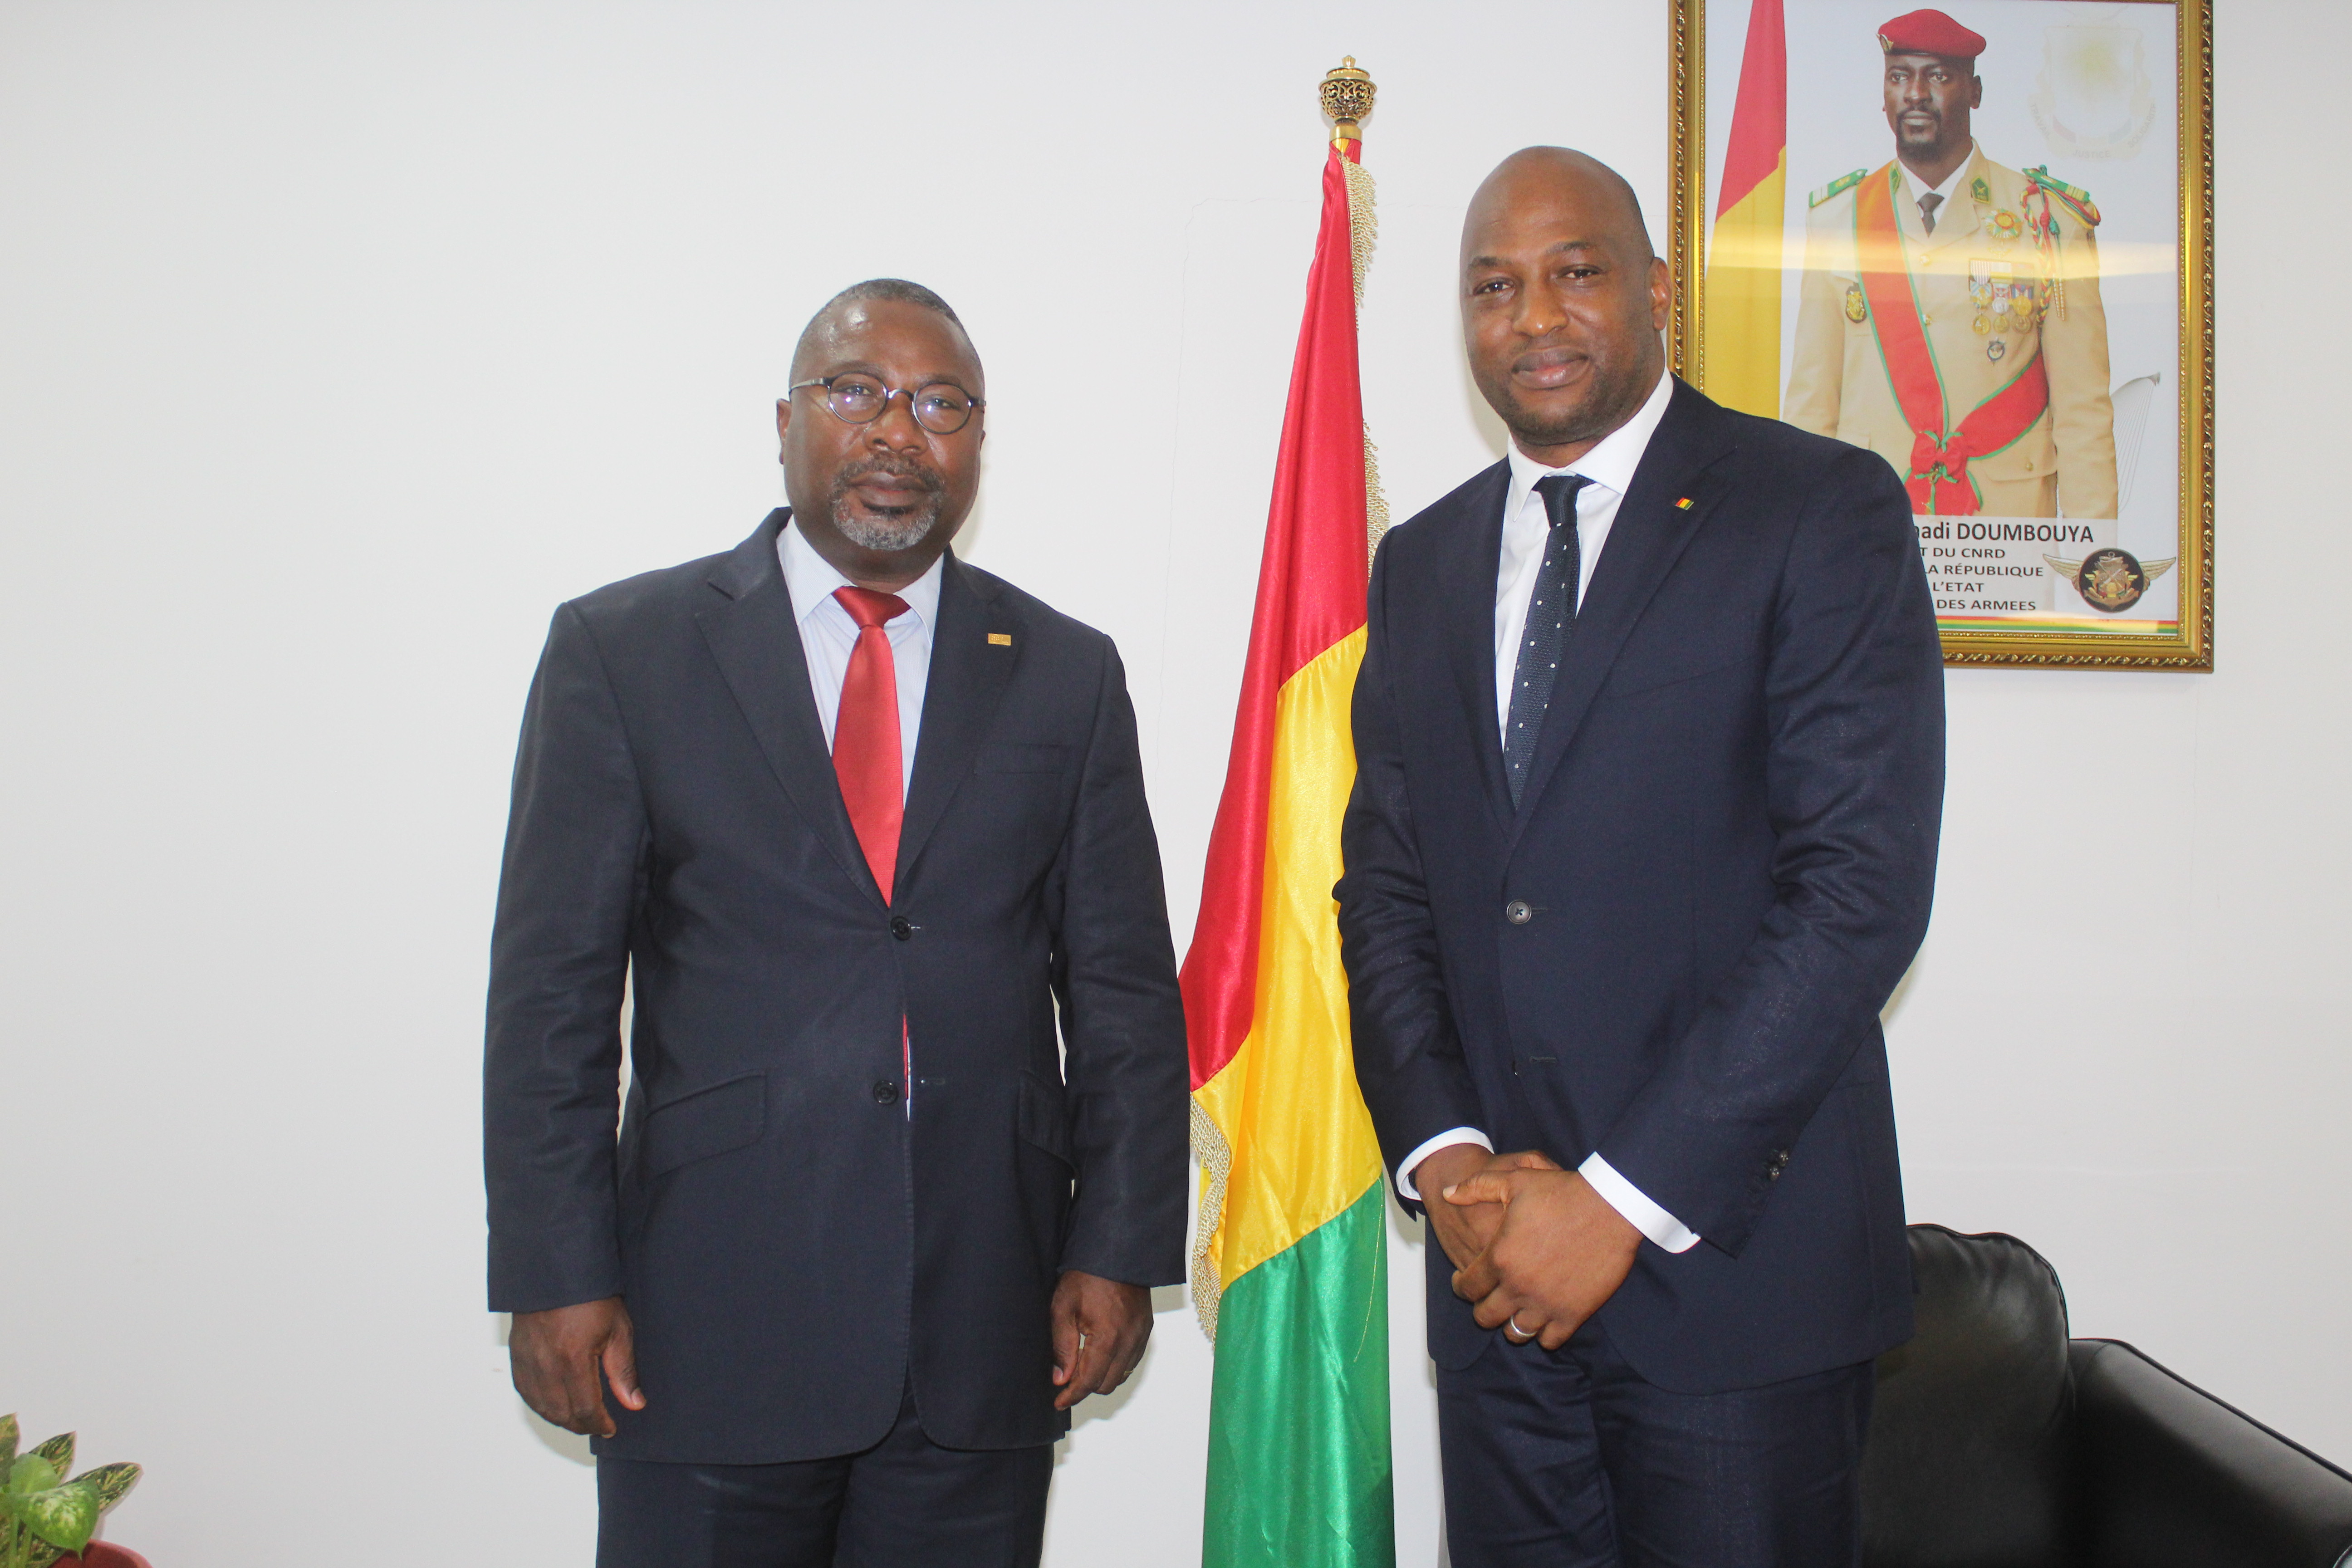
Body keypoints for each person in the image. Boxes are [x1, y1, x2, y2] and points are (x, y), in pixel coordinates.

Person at [483, 278, 1188, 1568]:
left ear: (978, 441)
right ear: (785, 421)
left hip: (986, 1323)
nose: (896, 430)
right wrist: (553, 1271)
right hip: (703, 1326)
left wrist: (1118, 1246)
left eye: (940, 404)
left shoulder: (1067, 673)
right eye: (855, 390)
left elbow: (1125, 992)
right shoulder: (624, 651)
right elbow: (551, 1000)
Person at [1335, 148, 1945, 1564]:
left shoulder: (1816, 508)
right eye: (1494, 287)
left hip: (1739, 1289)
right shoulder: (1421, 563)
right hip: (1496, 1298)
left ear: (1659, 290)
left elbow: (1857, 893)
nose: (1535, 318)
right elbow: (1390, 891)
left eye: (1577, 273)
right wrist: (1445, 1159)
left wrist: (1615, 1203)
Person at [1784, 7, 2117, 520]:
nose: (1915, 94)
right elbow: (1812, 408)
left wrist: (2088, 554)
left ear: (1975, 92)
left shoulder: (2046, 222)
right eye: (1900, 77)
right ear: (1884, 94)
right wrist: (1799, 543)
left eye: (1938, 77)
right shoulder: (1839, 220)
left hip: (2006, 525)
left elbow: (2083, 413)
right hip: (1870, 520)